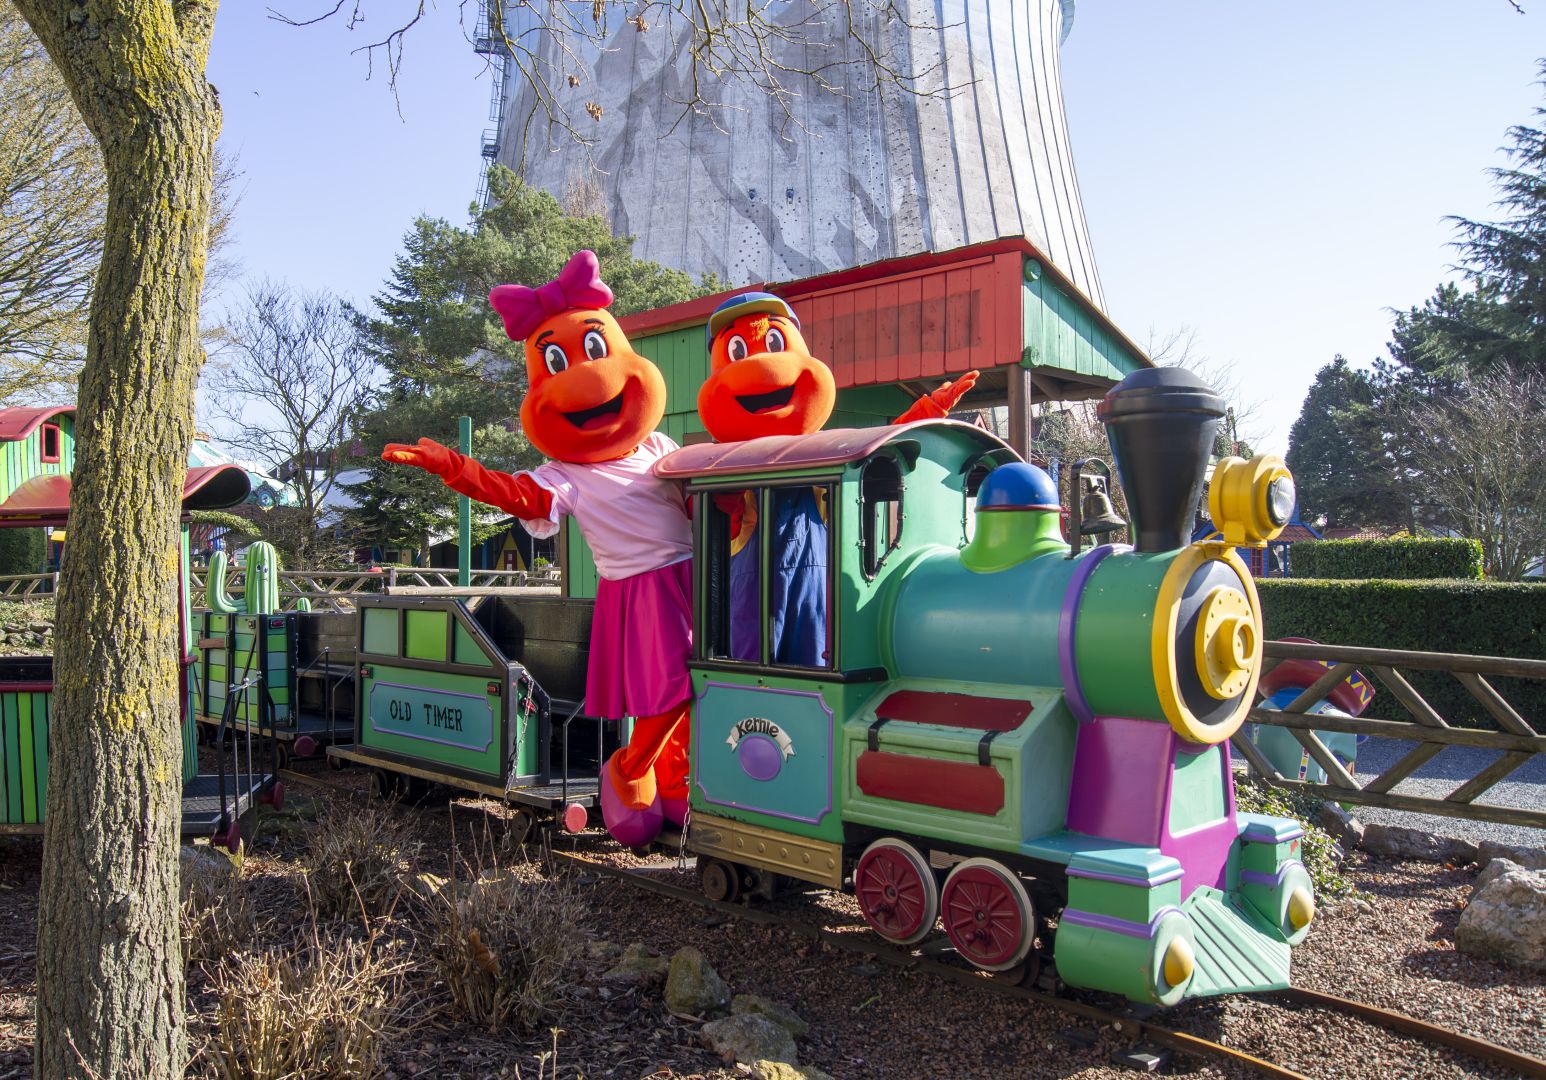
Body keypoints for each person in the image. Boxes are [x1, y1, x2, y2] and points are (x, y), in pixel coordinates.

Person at [381, 249, 689, 845]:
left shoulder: (659, 446)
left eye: (595, 349)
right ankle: (629, 768)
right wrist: (451, 466)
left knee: (699, 693)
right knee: (674, 689)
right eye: (557, 363)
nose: (586, 379)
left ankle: (674, 787)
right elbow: (511, 493)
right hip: (642, 589)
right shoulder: (566, 475)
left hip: (693, 578)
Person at [696, 292, 978, 665]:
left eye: (775, 344)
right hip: (751, 598)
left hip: (813, 593)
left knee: (813, 668)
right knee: (753, 673)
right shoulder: (730, 466)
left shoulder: (822, 456)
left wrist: (928, 409)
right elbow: (717, 513)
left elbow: (875, 448)